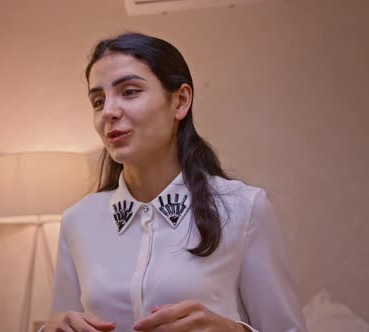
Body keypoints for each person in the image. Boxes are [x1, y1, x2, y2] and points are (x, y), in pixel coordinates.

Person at [42, 32, 307, 332]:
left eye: (129, 92)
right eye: (98, 101)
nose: (109, 113)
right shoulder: (78, 220)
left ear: (180, 101)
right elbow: (62, 323)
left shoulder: (244, 209)